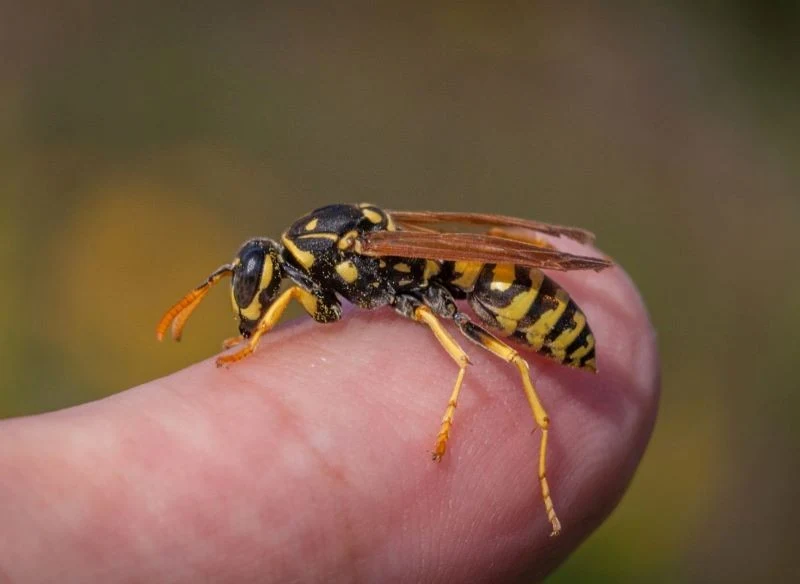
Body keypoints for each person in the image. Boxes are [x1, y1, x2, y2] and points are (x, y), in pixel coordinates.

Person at [0, 259, 658, 582]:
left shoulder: (356, 266)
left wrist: (455, 398)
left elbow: (320, 296)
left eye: (254, 286)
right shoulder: (330, 268)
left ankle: (543, 460)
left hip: (509, 299)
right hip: (482, 289)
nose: (260, 289)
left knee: (505, 366)